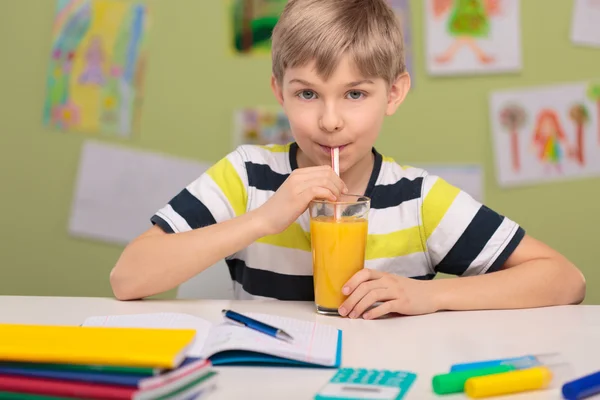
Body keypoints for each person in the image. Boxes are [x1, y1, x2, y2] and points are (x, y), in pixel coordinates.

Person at [110, 0, 585, 319]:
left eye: (355, 93)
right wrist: (262, 219)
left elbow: (565, 280)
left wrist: (428, 295)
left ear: (394, 93)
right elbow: (128, 277)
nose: (330, 120)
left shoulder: (417, 199)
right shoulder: (247, 174)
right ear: (279, 91)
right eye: (308, 94)